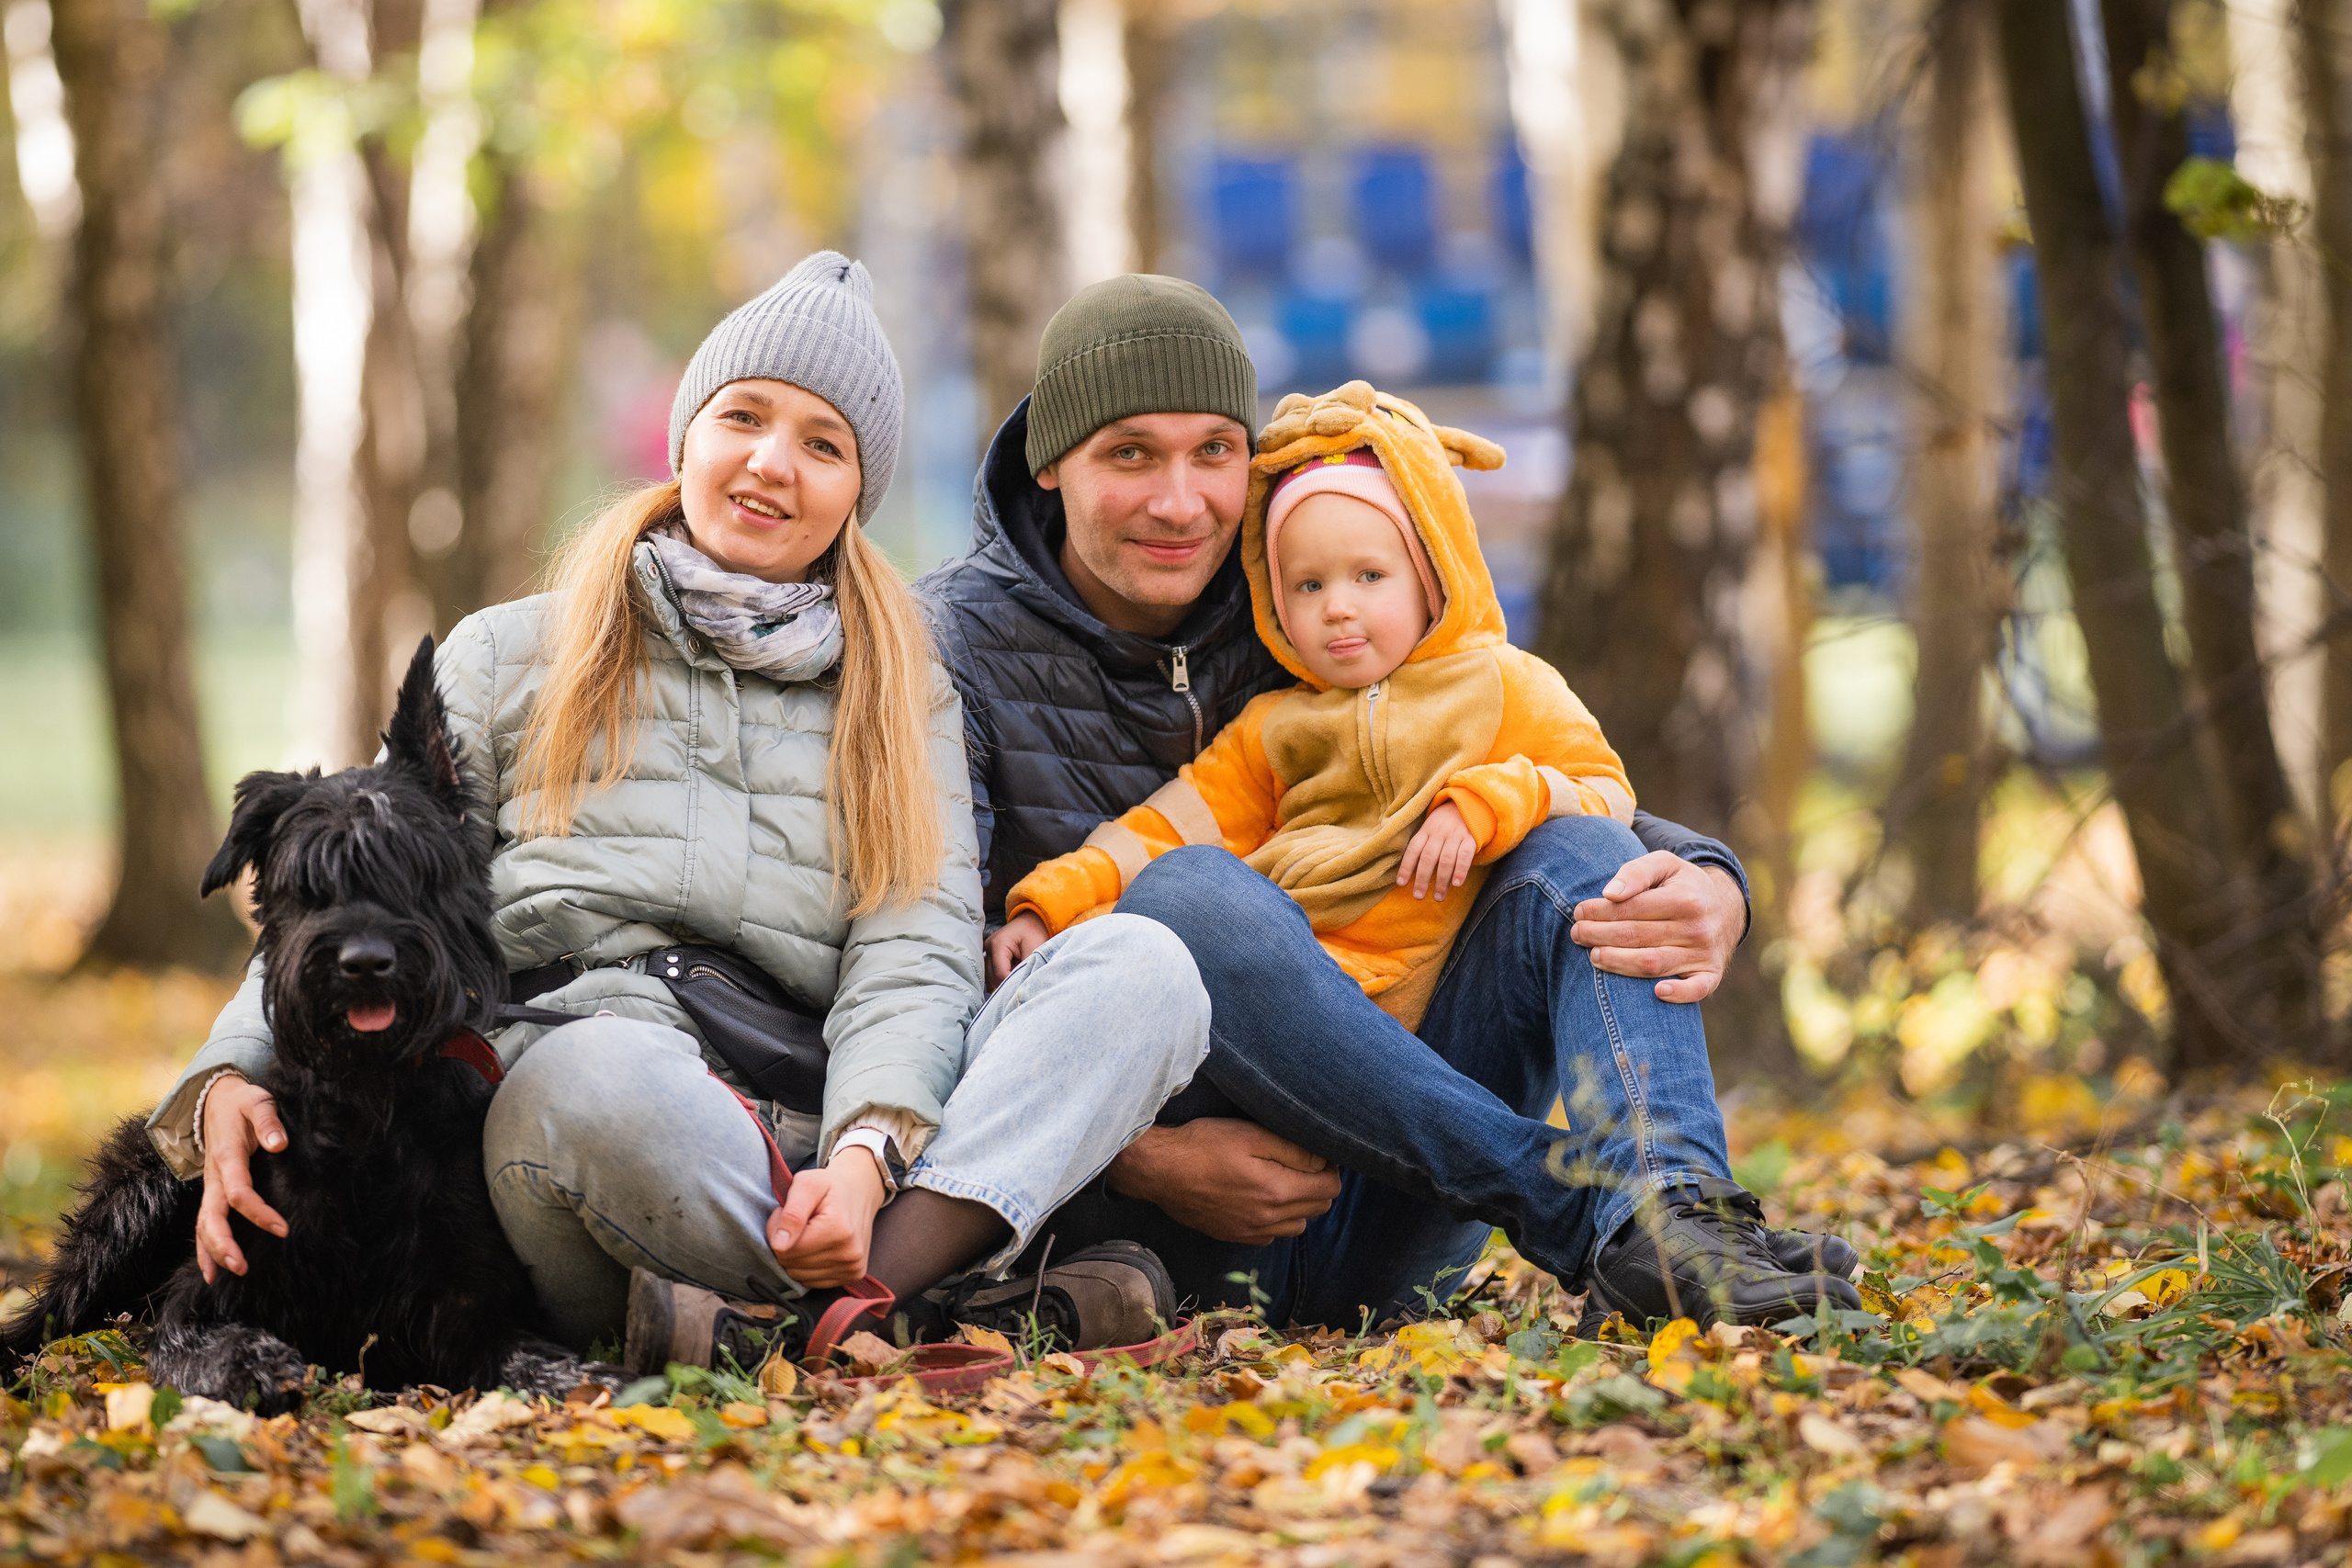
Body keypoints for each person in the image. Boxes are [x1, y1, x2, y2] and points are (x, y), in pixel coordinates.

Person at [149, 253, 1206, 1369]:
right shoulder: (508, 655)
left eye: (824, 444)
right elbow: (351, 882)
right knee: (592, 1080)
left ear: (857, 492)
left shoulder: (904, 687)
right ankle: (921, 1307)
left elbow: (914, 952)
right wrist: (227, 1075)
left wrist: (862, 1160)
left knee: (1139, 968)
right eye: (743, 417)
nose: (772, 463)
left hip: (829, 1125)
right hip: (602, 1117)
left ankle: (821, 1316)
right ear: (686, 437)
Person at [918, 275, 1861, 1332]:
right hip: (1181, 1238)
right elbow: (901, 991)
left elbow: (1528, 759)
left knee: (1584, 854)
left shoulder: (1309, 578)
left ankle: (1679, 1219)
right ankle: (1583, 1213)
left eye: (1213, 451)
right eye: (1131, 454)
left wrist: (1710, 880)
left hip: (1402, 1209)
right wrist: (1133, 1157)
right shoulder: (942, 651)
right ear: (1051, 462)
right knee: (1184, 897)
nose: (1180, 503)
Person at [994, 383, 1636, 1024]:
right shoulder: (1273, 727)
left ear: (1430, 576)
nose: (1337, 607)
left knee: (1594, 852)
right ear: (1277, 604)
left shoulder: (1501, 685)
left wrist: (1488, 805)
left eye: (1370, 575)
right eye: (1308, 585)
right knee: (1180, 894)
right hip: (1300, 1005)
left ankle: (1633, 1106)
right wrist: (1051, 905)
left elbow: (1606, 793)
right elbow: (1165, 832)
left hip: (1453, 1004)